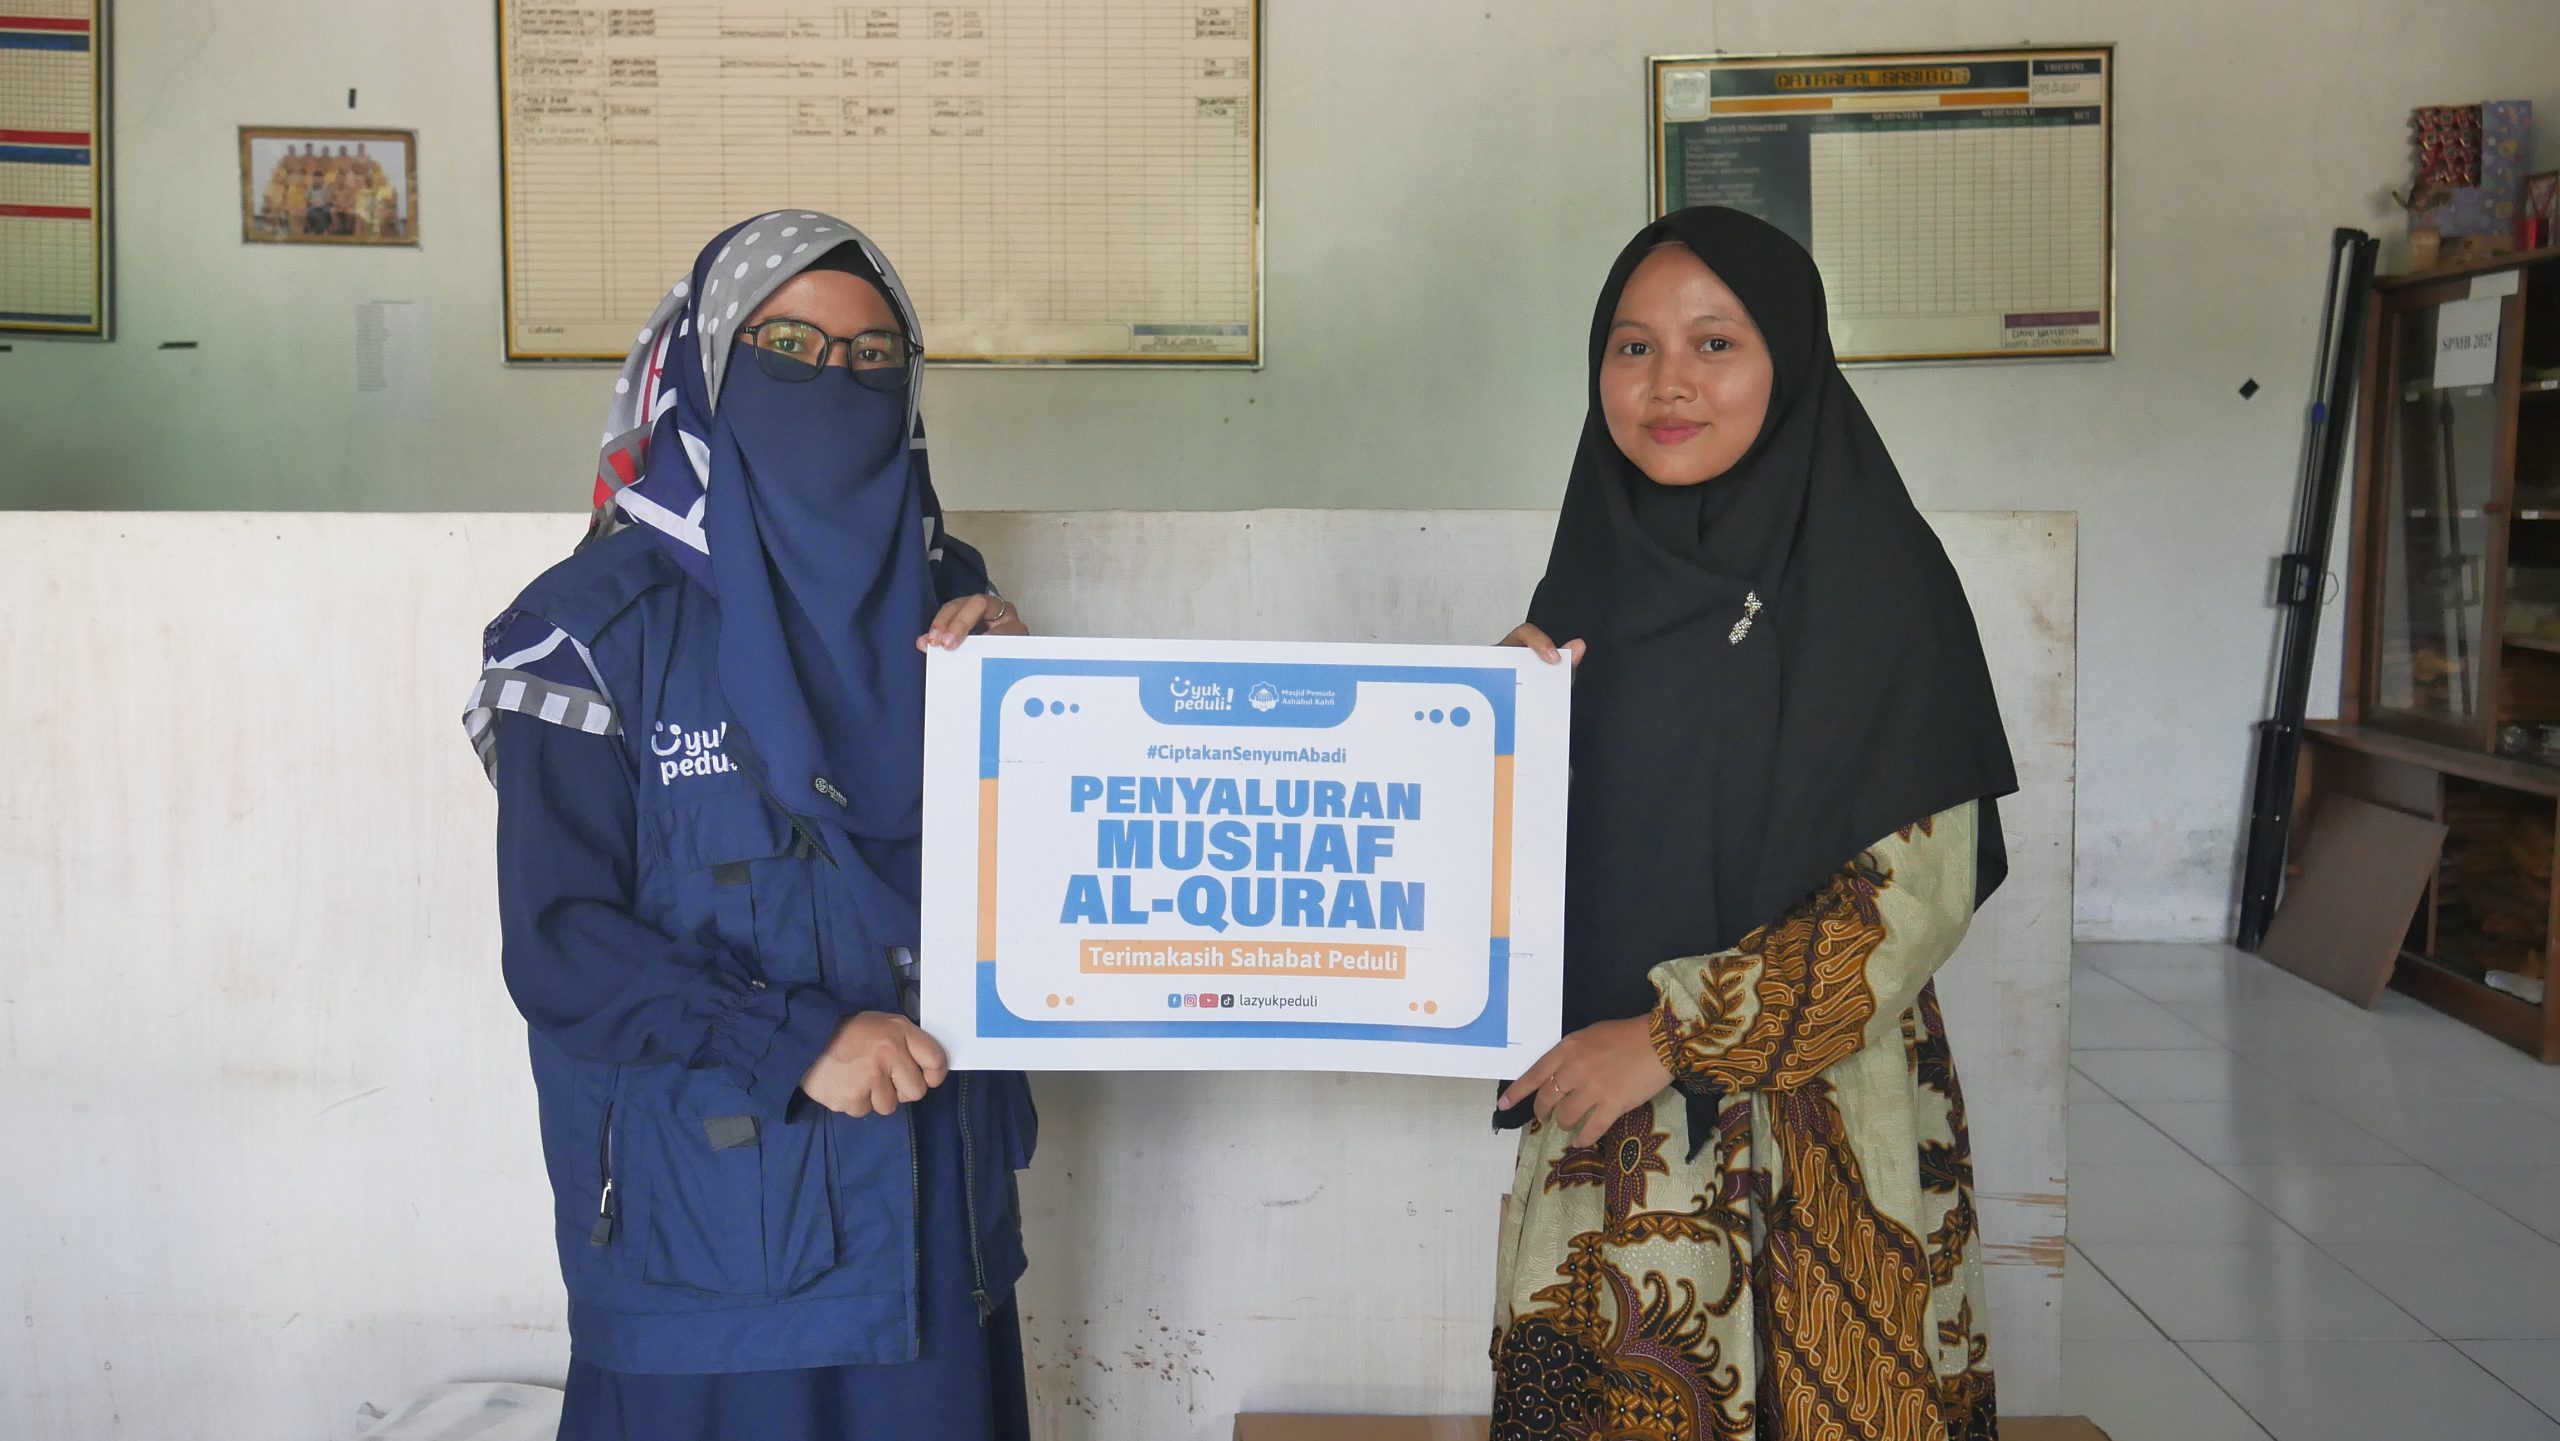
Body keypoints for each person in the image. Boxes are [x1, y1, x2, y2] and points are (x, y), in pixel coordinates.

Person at [463, 211, 1037, 1441]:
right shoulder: (588, 628)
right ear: (709, 371)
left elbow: (1035, 899)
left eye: (872, 357)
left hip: (934, 1228)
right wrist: (798, 1037)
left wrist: (1038, 713)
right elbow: (561, 945)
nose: (834, 380)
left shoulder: (955, 610)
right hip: (711, 1249)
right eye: (789, 347)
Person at [1486, 206, 2019, 1441]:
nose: (1666, 382)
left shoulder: (1880, 582)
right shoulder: (1591, 581)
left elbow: (1912, 898)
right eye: (1632, 346)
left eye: (1713, 343)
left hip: (1821, 1129)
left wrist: (1671, 1037)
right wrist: (1491, 733)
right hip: (1608, 1128)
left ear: (1790, 360)